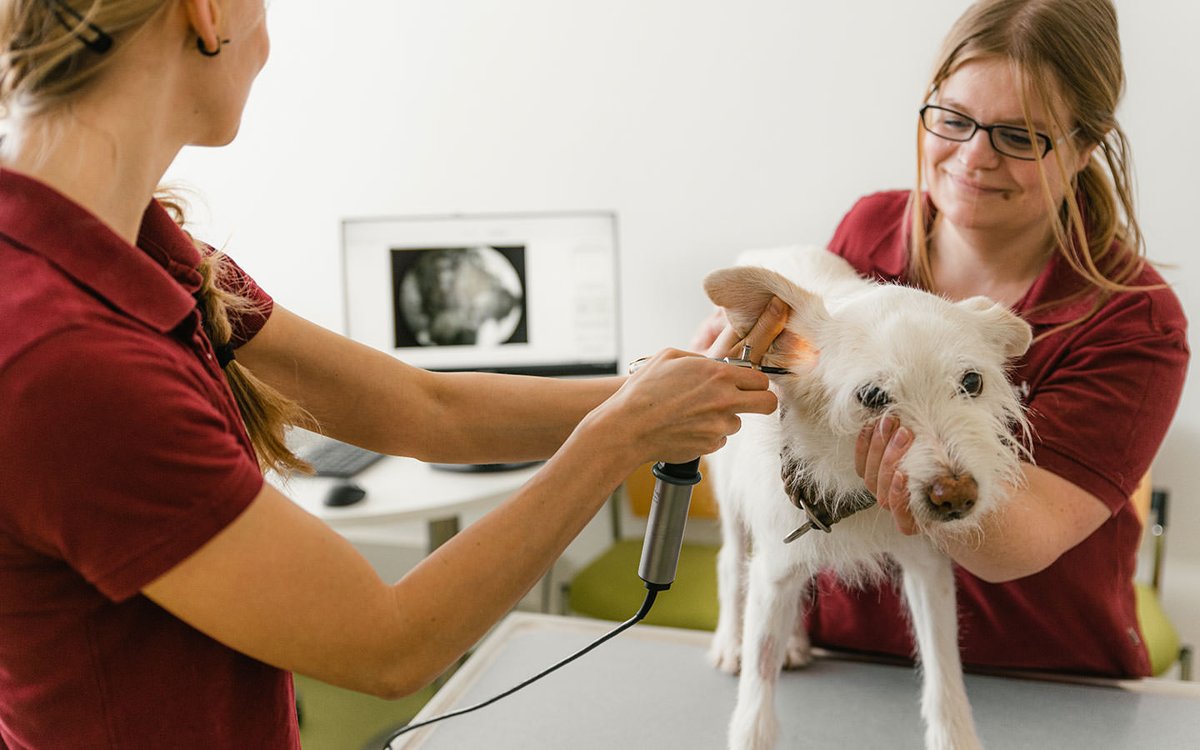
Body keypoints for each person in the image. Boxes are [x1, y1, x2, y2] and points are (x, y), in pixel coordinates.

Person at [0, 2, 790, 747]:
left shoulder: (149, 252)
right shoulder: (64, 360)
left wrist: (672, 388)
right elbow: (388, 644)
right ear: (206, 13)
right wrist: (620, 438)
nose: (268, 46)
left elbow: (426, 410)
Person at [694, 0, 1188, 678]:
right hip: (847, 659)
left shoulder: (1132, 323)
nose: (972, 158)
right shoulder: (872, 230)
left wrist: (926, 463)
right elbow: (804, 428)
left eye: (1019, 137)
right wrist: (749, 370)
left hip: (1041, 674)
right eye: (953, 120)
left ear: (1083, 148)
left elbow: (1013, 545)